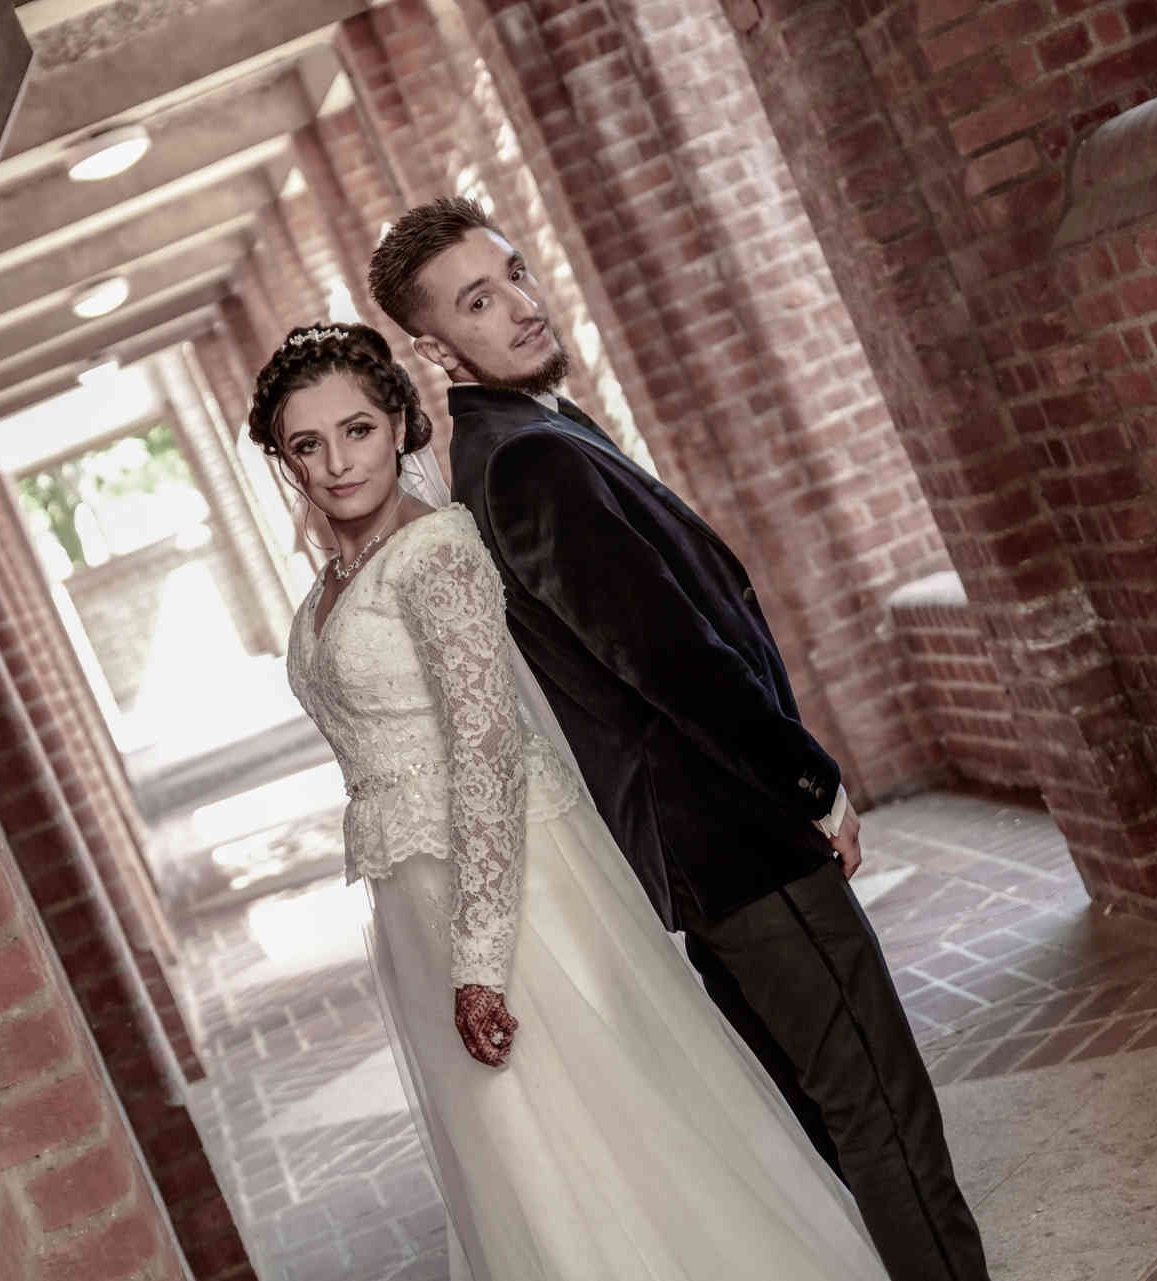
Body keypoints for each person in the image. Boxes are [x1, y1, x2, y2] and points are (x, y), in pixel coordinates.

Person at [365, 196, 990, 1281]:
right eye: (477, 301)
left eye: (514, 273)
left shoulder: (530, 435)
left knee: (833, 1115)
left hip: (703, 853)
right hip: (734, 836)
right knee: (882, 1114)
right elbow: (669, 659)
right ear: (434, 348)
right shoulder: (526, 461)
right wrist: (812, 783)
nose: (519, 305)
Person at [250, 320, 891, 1279]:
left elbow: (485, 754)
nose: (337, 463)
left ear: (400, 426)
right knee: (519, 1159)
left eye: (358, 431)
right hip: (416, 893)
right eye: (308, 444)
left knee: (595, 1129)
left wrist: (478, 962)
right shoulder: (332, 585)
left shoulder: (436, 554)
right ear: (284, 459)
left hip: (514, 894)